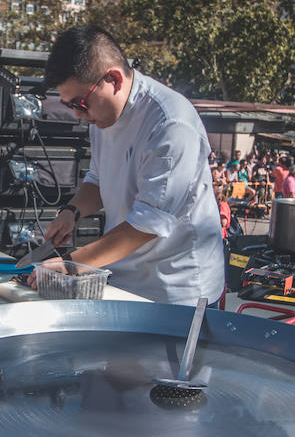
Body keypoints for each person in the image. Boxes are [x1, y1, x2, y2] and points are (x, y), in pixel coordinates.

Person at [30, 25, 224, 305]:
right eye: (69, 105)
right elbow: (98, 180)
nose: (76, 114)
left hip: (178, 291)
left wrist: (71, 265)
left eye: (80, 103)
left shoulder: (170, 123)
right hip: (124, 279)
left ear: (114, 79)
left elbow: (148, 224)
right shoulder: (100, 117)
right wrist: (71, 211)